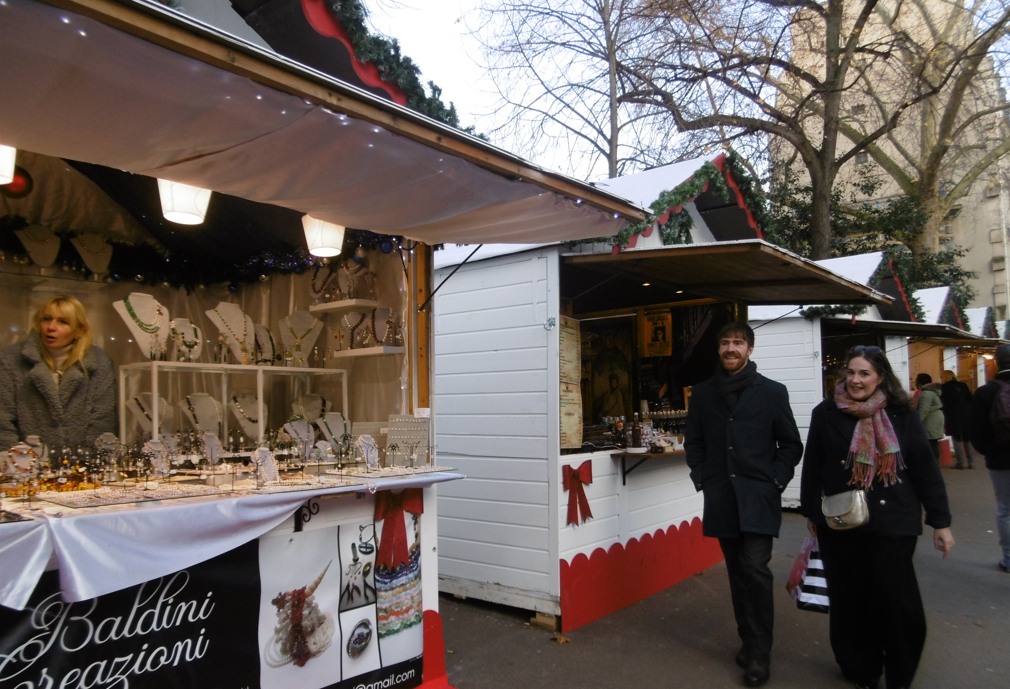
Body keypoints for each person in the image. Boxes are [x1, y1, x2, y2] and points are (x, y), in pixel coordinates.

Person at [801, 345, 954, 689]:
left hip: (893, 521)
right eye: (851, 373)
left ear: (881, 377)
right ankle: (861, 667)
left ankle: (900, 673)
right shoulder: (825, 413)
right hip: (842, 522)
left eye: (864, 373)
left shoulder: (902, 413)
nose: (855, 380)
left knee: (897, 602)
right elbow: (813, 465)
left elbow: (924, 469)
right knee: (851, 599)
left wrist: (940, 521)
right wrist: (812, 512)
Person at [685, 321, 802, 687]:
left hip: (758, 497)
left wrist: (775, 481)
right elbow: (695, 442)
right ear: (718, 349)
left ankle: (760, 653)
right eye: (725, 342)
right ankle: (747, 641)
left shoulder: (772, 392)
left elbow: (790, 445)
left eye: (737, 342)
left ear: (750, 349)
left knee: (755, 569)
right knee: (737, 574)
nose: (730, 348)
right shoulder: (703, 394)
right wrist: (702, 477)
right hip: (722, 497)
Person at [0, 295, 117, 453]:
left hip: (82, 468)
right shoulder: (10, 360)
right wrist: (17, 462)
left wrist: (85, 464)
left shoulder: (98, 362)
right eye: (46, 319)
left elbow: (103, 420)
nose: (51, 327)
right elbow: (3, 420)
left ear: (79, 330)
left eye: (63, 322)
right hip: (25, 467)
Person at [967, 343, 1010, 574]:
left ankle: (1009, 559)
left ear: (996, 362)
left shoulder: (985, 392)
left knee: (1006, 509)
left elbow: (975, 429)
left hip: (1000, 460)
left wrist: (988, 450)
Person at [940, 369, 974, 469]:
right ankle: (971, 462)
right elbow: (971, 400)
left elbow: (943, 403)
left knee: (956, 439)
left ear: (945, 377)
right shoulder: (963, 385)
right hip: (967, 415)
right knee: (967, 439)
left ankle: (960, 463)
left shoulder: (944, 388)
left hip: (953, 416)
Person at [914, 373, 944, 462]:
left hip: (930, 422)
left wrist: (916, 423)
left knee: (931, 444)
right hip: (935, 420)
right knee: (933, 443)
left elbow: (924, 410)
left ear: (919, 382)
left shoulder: (926, 393)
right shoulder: (932, 392)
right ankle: (935, 464)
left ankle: (933, 465)